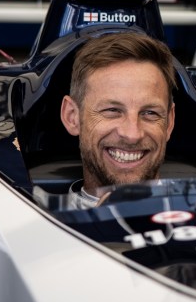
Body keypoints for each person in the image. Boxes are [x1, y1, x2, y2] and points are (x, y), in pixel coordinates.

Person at [60, 31, 177, 209]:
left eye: (150, 113)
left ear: (169, 122)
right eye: (112, 110)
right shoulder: (28, 229)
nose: (132, 134)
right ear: (72, 117)